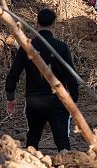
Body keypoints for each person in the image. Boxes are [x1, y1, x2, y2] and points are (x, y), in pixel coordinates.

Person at [5, 8, 79, 152]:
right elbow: (71, 76)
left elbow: (13, 74)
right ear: (54, 24)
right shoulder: (62, 47)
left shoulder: (27, 47)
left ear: (37, 23)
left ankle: (30, 162)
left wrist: (11, 97)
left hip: (34, 100)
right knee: (62, 140)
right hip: (58, 100)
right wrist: (74, 98)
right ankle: (67, 164)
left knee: (33, 137)